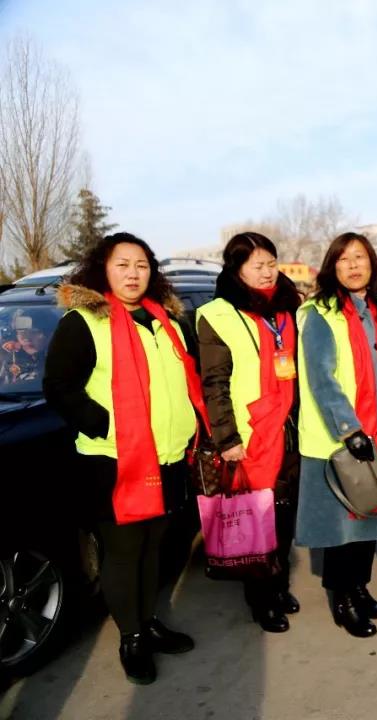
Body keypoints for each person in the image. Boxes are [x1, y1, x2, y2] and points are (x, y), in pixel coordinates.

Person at [43, 232, 201, 684]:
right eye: (123, 265)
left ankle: (148, 622)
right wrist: (107, 425)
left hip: (168, 456)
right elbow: (60, 387)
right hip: (114, 459)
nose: (133, 274)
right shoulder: (85, 322)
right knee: (124, 551)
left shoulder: (167, 321)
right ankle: (131, 637)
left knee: (154, 545)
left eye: (142, 265)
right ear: (103, 270)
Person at [295, 233, 377, 637]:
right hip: (339, 439)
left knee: (369, 518)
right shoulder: (320, 314)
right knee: (343, 526)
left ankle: (359, 587)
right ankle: (342, 599)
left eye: (360, 257)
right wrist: (349, 428)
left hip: (375, 431)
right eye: (344, 259)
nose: (354, 265)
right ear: (332, 267)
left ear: (372, 264)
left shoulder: (371, 310)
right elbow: (321, 378)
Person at [196, 232, 302, 631]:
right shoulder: (217, 314)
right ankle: (261, 599)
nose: (267, 272)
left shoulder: (289, 308)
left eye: (271, 264)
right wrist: (227, 439)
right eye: (257, 265)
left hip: (290, 429)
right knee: (257, 517)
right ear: (236, 270)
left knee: (284, 514)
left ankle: (279, 583)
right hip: (249, 436)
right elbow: (215, 383)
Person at [2, 308, 57, 385]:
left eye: (33, 332)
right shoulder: (12, 358)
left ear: (51, 335)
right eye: (20, 332)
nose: (25, 338)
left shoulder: (63, 360)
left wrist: (39, 357)